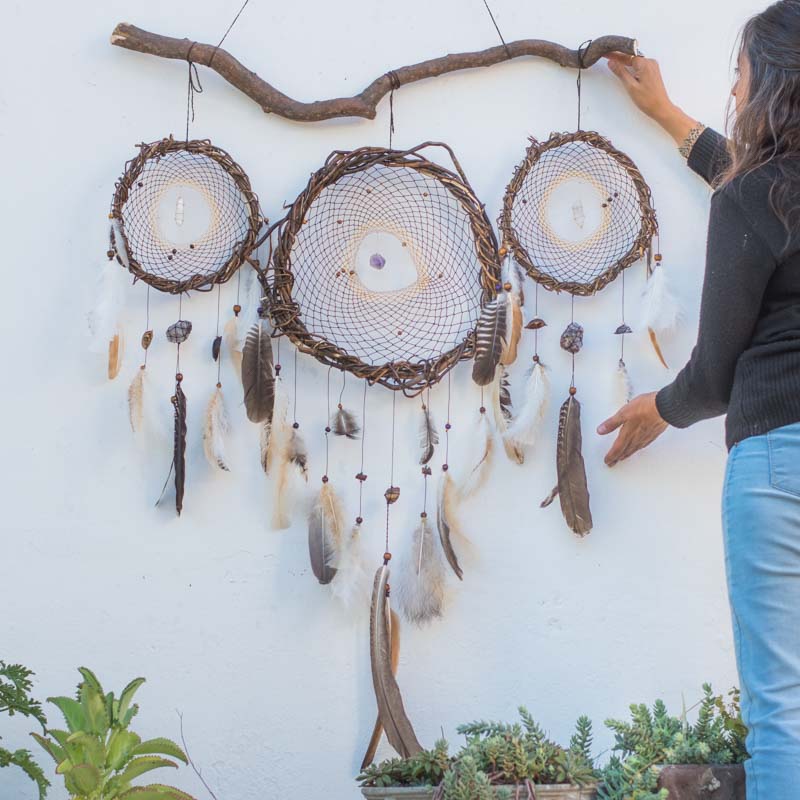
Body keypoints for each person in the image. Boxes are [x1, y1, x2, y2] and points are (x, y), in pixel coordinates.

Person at [598, 2, 800, 797]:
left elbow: (713, 374)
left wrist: (659, 408)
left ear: (772, 83)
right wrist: (668, 115)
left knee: (782, 710)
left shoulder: (755, 198)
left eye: (743, 70)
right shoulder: (757, 193)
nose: (735, 84)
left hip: (780, 463)